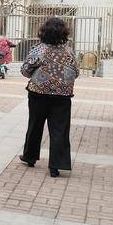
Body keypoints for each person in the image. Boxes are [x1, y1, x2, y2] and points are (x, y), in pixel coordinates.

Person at [20, 17, 79, 178]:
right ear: (64, 33)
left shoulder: (40, 49)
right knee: (60, 129)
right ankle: (56, 166)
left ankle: (30, 157)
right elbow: (76, 72)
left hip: (38, 94)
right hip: (62, 96)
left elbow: (25, 70)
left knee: (35, 125)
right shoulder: (69, 52)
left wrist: (40, 76)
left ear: (44, 32)